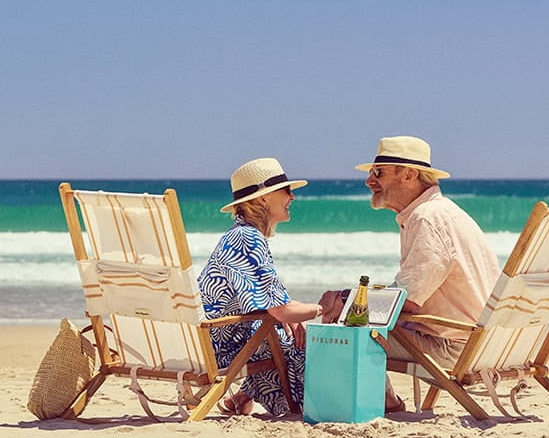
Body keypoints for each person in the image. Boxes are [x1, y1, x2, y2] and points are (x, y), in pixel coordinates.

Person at [318, 136, 499, 412]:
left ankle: (383, 404)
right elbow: (408, 295)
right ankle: (385, 401)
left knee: (337, 328)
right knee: (352, 314)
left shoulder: (426, 218)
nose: (369, 181)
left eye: (379, 172)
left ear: (410, 174)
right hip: (480, 342)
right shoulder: (443, 212)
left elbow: (408, 301)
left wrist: (344, 301)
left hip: (455, 348)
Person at [199, 158, 323, 416]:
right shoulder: (247, 238)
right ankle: (304, 405)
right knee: (312, 345)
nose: (292, 197)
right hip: (223, 346)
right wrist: (324, 309)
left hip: (214, 336)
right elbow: (281, 311)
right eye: (286, 191)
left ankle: (243, 396)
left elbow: (273, 301)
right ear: (263, 199)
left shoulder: (240, 234)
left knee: (284, 333)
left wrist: (287, 312)